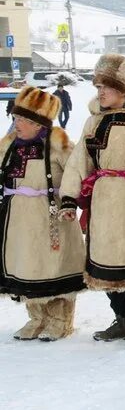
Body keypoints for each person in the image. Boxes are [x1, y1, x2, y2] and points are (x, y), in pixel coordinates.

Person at [58, 54, 125, 344]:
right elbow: (79, 162)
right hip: (103, 201)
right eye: (98, 87)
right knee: (105, 264)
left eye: (107, 87)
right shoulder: (93, 121)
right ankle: (123, 318)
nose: (101, 92)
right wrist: (69, 197)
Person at [0, 87, 86, 341]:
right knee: (26, 265)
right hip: (18, 216)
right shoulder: (9, 145)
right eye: (16, 119)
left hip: (50, 216)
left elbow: (75, 173)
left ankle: (60, 320)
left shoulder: (58, 146)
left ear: (38, 123)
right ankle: (36, 318)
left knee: (53, 266)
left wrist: (69, 201)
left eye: (24, 120)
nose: (18, 124)